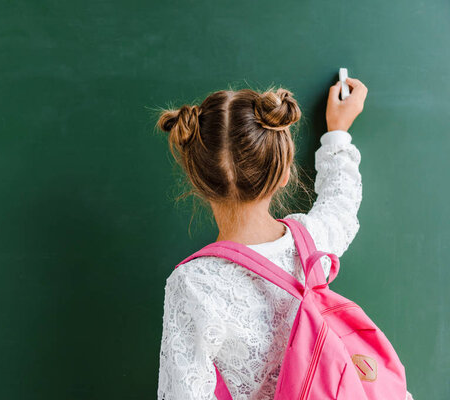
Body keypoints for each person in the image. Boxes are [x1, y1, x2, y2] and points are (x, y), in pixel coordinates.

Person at [155, 78, 414, 399]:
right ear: (284, 173)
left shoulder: (194, 283)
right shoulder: (311, 238)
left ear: (197, 181)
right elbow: (341, 202)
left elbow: (184, 393)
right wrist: (337, 131)